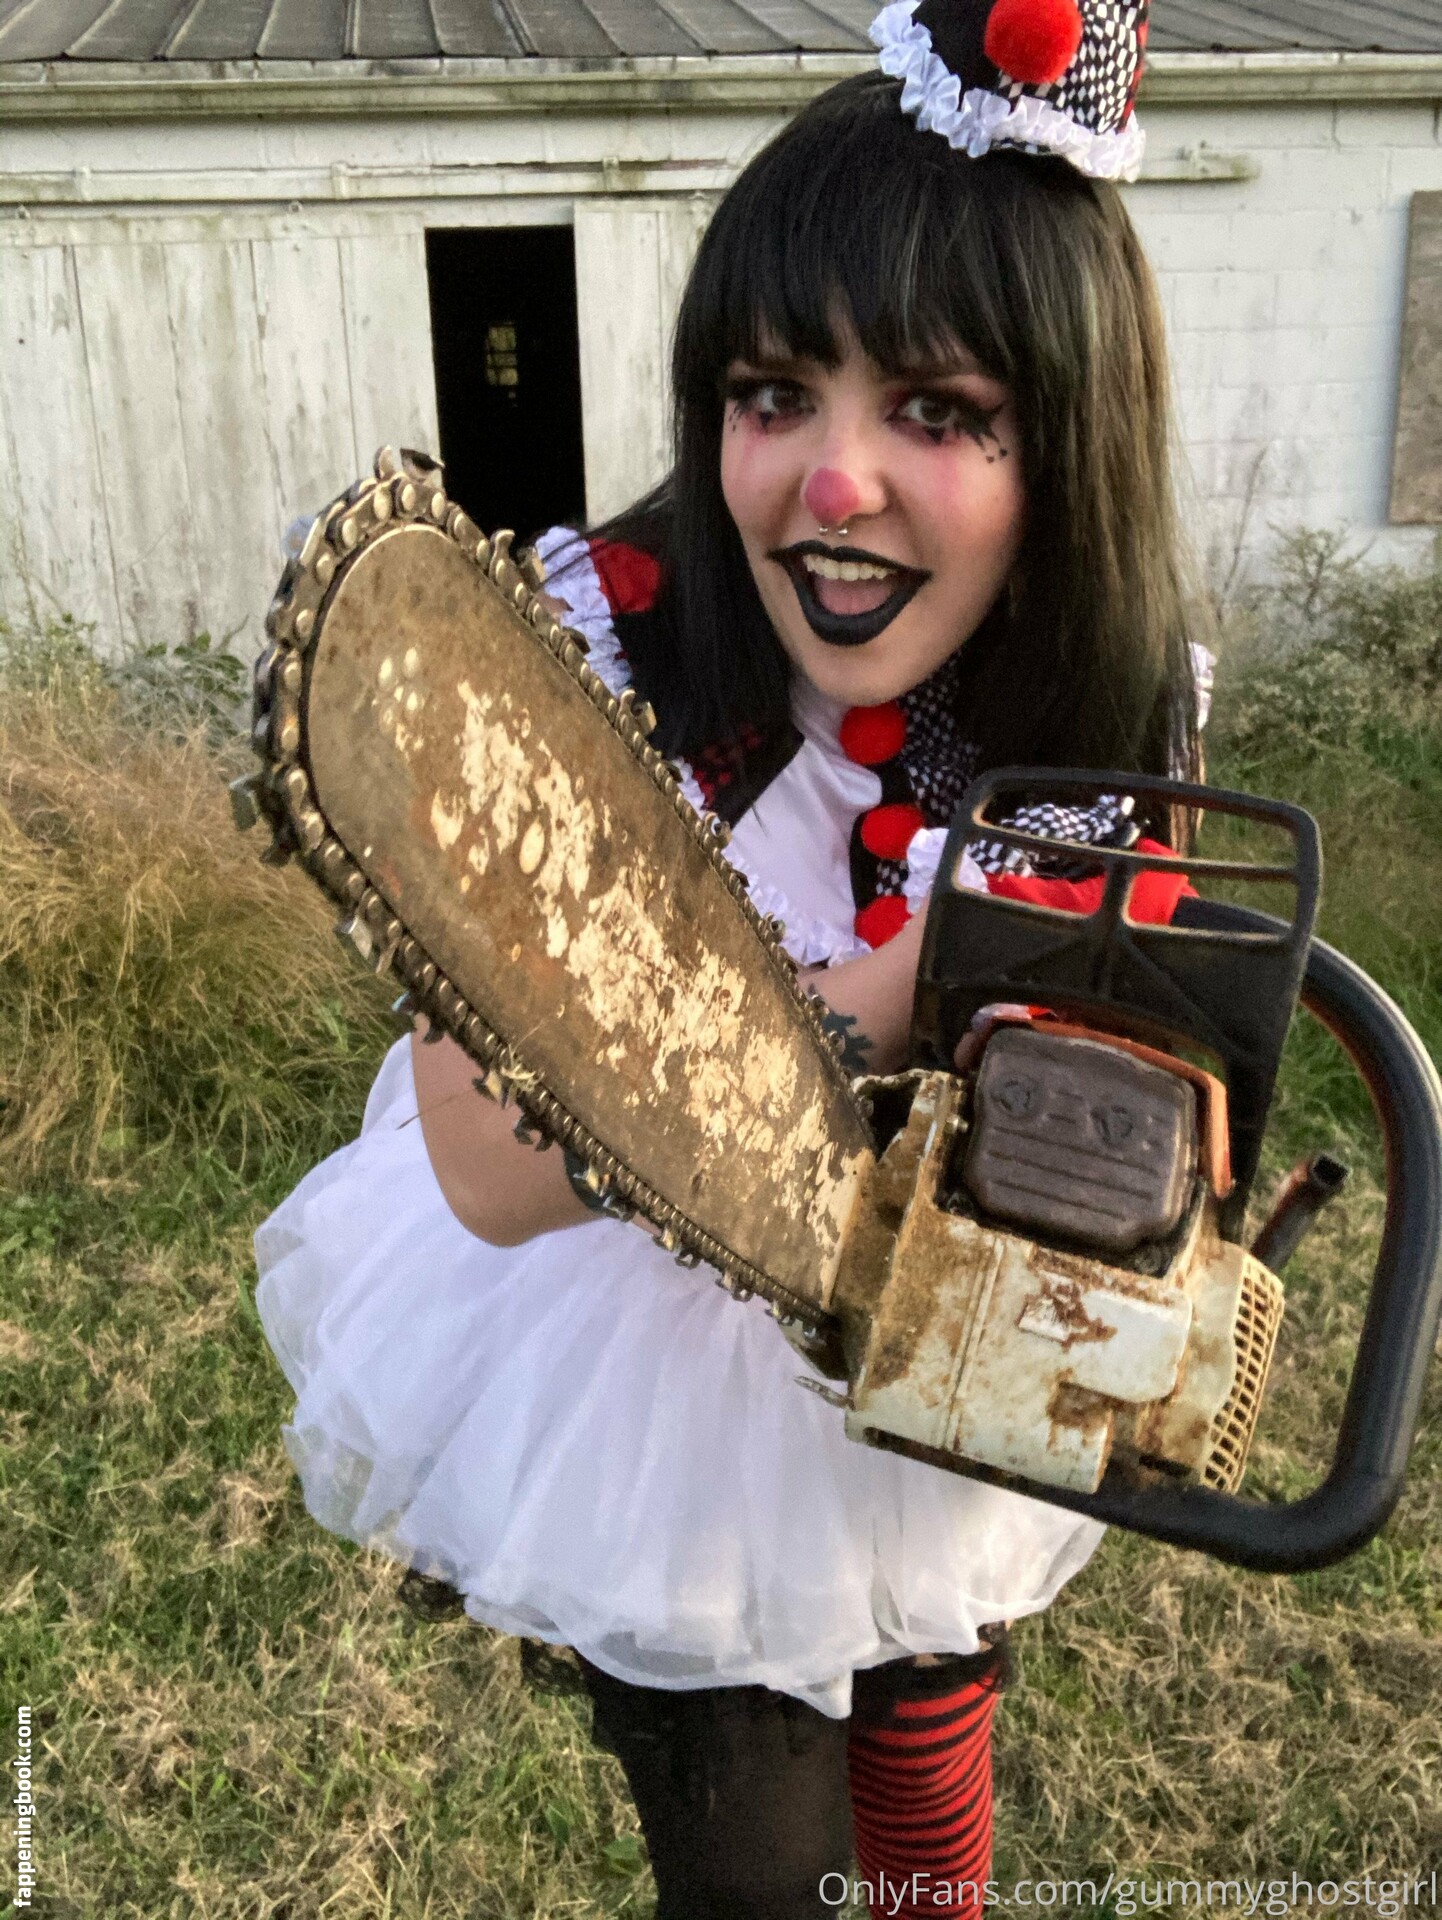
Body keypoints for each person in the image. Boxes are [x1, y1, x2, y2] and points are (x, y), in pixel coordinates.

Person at [255, 2, 1212, 1912]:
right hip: (652, 1376)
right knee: (756, 1857)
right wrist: (930, 973)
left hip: (935, 1311)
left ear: (1069, 449)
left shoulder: (1102, 702)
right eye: (773, 394)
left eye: (937, 413)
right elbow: (489, 1165)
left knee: (934, 1697)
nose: (829, 482)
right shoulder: (580, 659)